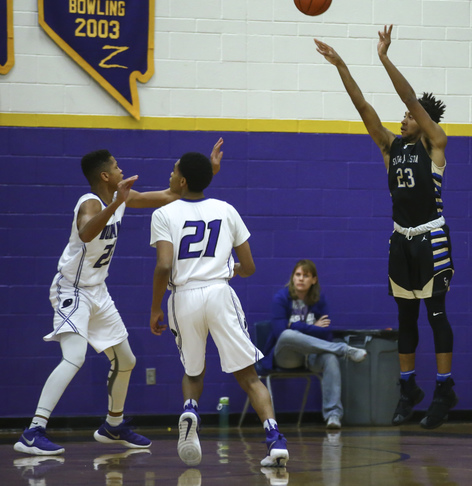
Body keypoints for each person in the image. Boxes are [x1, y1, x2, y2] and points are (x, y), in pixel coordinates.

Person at [13, 139, 223, 456]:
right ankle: (33, 431)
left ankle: (113, 425)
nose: (120, 167)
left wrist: (209, 172)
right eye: (114, 165)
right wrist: (115, 204)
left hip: (98, 290)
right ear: (105, 176)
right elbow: (85, 232)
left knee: (126, 360)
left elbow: (171, 195)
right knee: (74, 357)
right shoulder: (90, 202)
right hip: (72, 288)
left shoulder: (120, 199)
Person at [315, 25, 457, 429]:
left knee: (436, 316)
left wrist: (383, 58)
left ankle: (444, 387)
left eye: (411, 115)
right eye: (405, 115)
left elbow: (409, 96)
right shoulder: (390, 147)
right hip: (401, 240)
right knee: (407, 319)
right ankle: (409, 386)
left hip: (432, 238)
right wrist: (342, 66)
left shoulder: (435, 144)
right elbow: (364, 109)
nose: (404, 116)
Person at [149, 151, 288, 468]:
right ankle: (275, 439)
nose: (170, 176)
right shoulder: (227, 210)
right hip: (219, 293)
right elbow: (250, 267)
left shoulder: (164, 214)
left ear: (182, 181)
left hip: (183, 296)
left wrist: (155, 306)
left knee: (193, 372)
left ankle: (190, 409)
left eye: (173, 172)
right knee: (249, 377)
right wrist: (228, 269)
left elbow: (164, 266)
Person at [259, 259, 368, 430]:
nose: (301, 279)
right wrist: (311, 327)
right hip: (286, 356)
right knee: (288, 334)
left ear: (314, 280)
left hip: (310, 356)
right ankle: (343, 349)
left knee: (330, 358)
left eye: (306, 275)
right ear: (293, 277)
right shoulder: (280, 298)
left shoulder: (319, 300)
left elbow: (325, 332)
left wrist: (295, 325)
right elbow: (281, 332)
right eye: (298, 275)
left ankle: (333, 415)